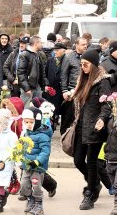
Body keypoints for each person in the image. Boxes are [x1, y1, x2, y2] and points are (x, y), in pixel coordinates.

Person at [71, 49, 111, 210]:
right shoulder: (83, 79)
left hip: (95, 127)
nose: (83, 67)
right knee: (78, 160)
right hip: (81, 126)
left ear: (94, 65)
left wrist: (102, 119)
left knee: (92, 162)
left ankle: (90, 194)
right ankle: (95, 184)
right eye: (81, 64)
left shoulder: (103, 81)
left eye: (86, 64)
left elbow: (107, 104)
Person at [20, 107, 52, 215]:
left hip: (37, 167)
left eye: (31, 122)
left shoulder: (43, 136)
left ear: (37, 121)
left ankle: (39, 204)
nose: (28, 124)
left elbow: (45, 152)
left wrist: (37, 161)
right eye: (26, 122)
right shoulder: (26, 134)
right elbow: (23, 148)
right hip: (26, 166)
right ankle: (30, 200)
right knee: (24, 184)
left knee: (36, 185)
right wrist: (18, 156)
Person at [60, 37, 88, 134]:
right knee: (68, 115)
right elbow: (63, 74)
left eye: (86, 44)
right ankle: (64, 135)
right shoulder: (69, 56)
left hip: (84, 90)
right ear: (77, 45)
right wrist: (64, 90)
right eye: (83, 44)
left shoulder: (87, 56)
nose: (85, 46)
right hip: (71, 90)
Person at [17, 36, 48, 108]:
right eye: (40, 43)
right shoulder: (25, 55)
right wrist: (26, 88)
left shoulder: (38, 54)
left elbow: (42, 71)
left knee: (39, 108)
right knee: (26, 109)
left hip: (37, 86)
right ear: (36, 44)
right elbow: (21, 73)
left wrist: (45, 84)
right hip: (28, 88)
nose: (42, 44)